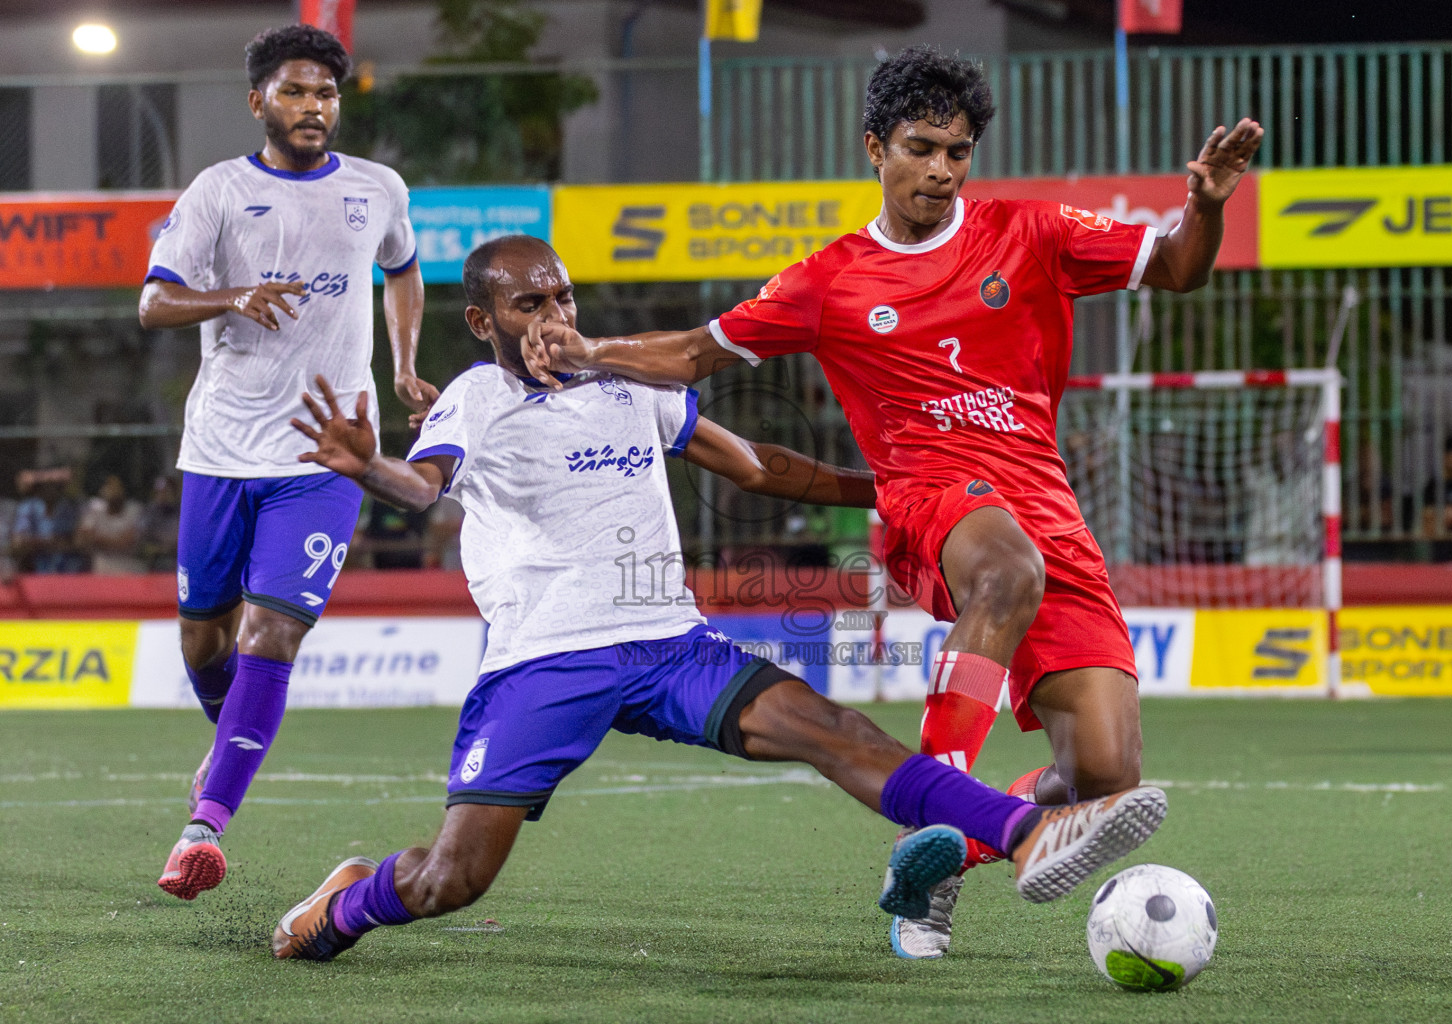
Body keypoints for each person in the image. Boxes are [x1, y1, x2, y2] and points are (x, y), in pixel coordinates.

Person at [521, 47, 1259, 958]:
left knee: (1104, 777)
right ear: (876, 147)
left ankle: (950, 856)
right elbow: (692, 354)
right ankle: (933, 826)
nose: (943, 171)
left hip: (1045, 505)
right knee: (1004, 567)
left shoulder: (1032, 233)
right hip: (930, 498)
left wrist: (1207, 205)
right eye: (922, 148)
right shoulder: (830, 281)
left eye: (959, 152)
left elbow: (1182, 269)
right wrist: (585, 350)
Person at [269, 235, 1167, 962]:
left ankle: (1022, 834)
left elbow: (759, 466)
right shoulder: (476, 398)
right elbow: (425, 487)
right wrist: (367, 467)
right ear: (482, 320)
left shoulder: (627, 384)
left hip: (670, 648)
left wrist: (888, 484)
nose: (554, 316)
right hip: (545, 664)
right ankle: (351, 901)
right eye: (528, 303)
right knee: (448, 884)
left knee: (837, 730)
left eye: (564, 297)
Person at [136, 24, 434, 900]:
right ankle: (226, 739)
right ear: (259, 100)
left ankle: (205, 828)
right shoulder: (218, 192)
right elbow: (153, 302)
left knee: (273, 635)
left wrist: (405, 363)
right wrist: (233, 296)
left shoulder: (377, 188)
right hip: (224, 449)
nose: (314, 108)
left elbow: (404, 268)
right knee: (204, 642)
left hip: (329, 452)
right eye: (297, 92)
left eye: (328, 94)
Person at [11, 468, 84, 574]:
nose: (48, 490)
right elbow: (20, 541)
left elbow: (79, 542)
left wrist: (39, 543)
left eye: (53, 486)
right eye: (43, 486)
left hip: (68, 571)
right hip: (35, 570)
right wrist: (54, 542)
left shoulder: (71, 508)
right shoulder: (28, 507)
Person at [76, 475, 147, 574]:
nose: (113, 490)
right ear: (102, 490)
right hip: (101, 568)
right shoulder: (94, 508)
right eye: (109, 486)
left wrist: (97, 539)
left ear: (123, 489)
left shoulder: (135, 509)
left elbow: (125, 543)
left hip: (130, 568)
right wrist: (113, 540)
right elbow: (81, 541)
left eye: (116, 486)